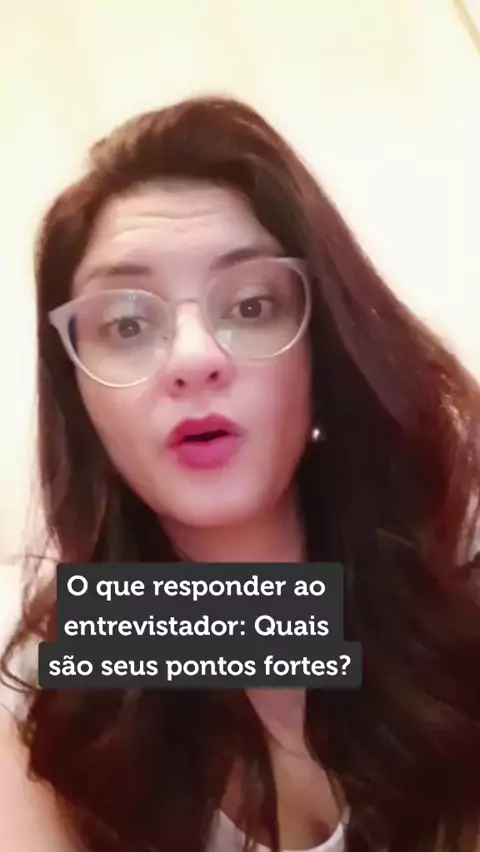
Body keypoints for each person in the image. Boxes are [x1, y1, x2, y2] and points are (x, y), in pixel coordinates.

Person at [0, 95, 479, 852]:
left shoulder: (451, 579)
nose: (194, 358)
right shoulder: (48, 693)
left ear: (325, 348)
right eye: (127, 323)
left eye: (252, 306)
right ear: (79, 396)